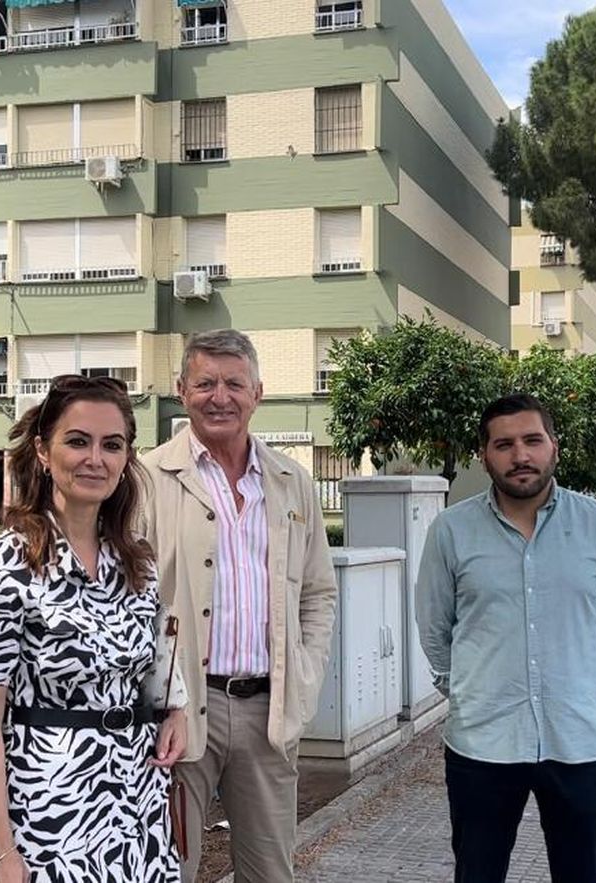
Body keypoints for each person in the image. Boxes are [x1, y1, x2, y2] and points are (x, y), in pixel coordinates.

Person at [0, 374, 189, 883]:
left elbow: (156, 661)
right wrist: (0, 850)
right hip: (50, 815)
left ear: (127, 458)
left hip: (137, 809)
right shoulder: (5, 565)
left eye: (112, 445)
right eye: (78, 441)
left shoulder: (134, 563)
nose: (95, 459)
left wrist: (176, 712)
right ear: (42, 451)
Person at [140, 329, 338, 883]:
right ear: (181, 390)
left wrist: (305, 676)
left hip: (267, 713)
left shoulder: (291, 482)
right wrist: (154, 698)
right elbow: (127, 597)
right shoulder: (146, 479)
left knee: (271, 872)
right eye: (205, 383)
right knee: (167, 868)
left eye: (234, 383)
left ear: (258, 393)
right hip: (176, 715)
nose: (219, 397)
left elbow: (318, 592)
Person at [416, 393, 596, 883]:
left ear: (554, 446)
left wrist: (591, 694)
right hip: (483, 743)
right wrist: (466, 692)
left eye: (532, 440)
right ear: (484, 455)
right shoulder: (451, 532)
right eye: (504, 445)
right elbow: (434, 626)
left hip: (579, 740)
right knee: (477, 873)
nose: (520, 456)